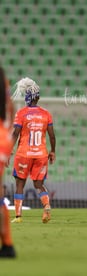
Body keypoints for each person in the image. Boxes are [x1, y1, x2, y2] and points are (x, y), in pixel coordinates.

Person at [9, 77, 56, 224]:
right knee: (38, 184)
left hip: (24, 154)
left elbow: (15, 134)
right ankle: (46, 206)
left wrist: (8, 151)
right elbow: (52, 135)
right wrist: (53, 151)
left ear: (28, 97)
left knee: (19, 184)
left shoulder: (22, 113)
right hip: (41, 154)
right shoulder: (46, 114)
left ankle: (18, 217)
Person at [0, 66, 16, 257]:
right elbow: (11, 106)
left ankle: (8, 245)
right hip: (3, 137)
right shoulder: (2, 77)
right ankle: (8, 245)